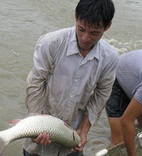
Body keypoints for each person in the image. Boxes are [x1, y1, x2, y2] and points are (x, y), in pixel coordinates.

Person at [23, 0, 118, 155]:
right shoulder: (52, 43)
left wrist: (84, 127)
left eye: (94, 33)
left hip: (72, 136)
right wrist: (36, 121)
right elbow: (36, 82)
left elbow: (102, 94)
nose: (85, 38)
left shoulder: (110, 57)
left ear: (107, 26)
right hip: (41, 131)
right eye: (81, 29)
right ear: (75, 16)